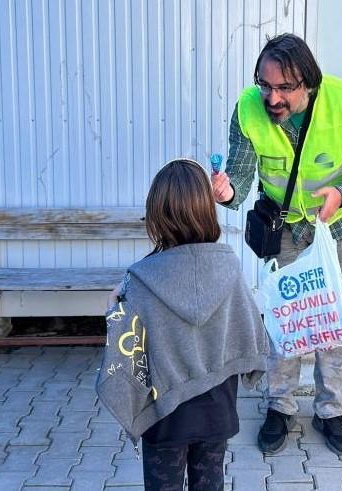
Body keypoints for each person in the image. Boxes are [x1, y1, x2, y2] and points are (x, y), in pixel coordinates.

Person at [211, 33, 342, 456]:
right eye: (265, 84)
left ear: (308, 83)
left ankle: (329, 410)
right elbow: (239, 173)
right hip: (286, 229)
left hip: (337, 228)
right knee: (284, 319)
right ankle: (280, 406)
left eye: (284, 88)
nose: (272, 97)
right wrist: (226, 192)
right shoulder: (248, 109)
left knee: (331, 320)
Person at [109, 159, 268, 491]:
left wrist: (114, 305)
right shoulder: (230, 268)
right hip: (217, 412)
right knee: (210, 484)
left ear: (156, 216)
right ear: (207, 211)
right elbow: (251, 330)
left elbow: (122, 352)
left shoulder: (139, 279)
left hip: (163, 416)